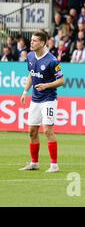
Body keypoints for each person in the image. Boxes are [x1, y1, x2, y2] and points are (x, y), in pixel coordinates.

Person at [19, 31, 65, 172]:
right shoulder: (30, 56)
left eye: (35, 41)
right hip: (35, 99)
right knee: (32, 131)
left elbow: (62, 81)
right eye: (31, 40)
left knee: (47, 130)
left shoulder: (52, 61)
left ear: (43, 43)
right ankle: (34, 163)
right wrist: (25, 92)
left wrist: (46, 85)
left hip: (48, 100)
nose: (31, 43)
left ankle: (54, 165)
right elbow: (31, 74)